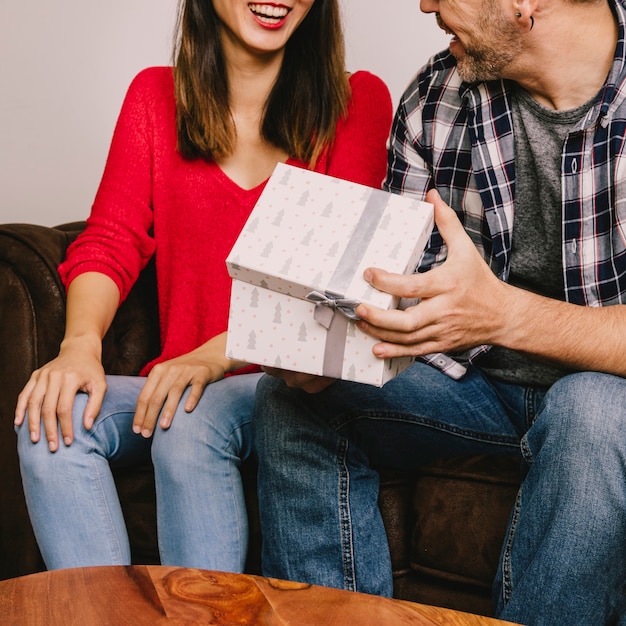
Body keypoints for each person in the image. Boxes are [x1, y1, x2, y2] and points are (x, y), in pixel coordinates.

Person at [252, 0, 626, 623]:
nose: (425, 3)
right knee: (292, 400)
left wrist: (505, 315)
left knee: (594, 413)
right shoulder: (437, 94)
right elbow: (401, 284)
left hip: (605, 395)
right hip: (475, 382)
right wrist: (333, 348)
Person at [13, 0, 392, 572]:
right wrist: (79, 347)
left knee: (190, 421)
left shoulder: (358, 101)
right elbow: (109, 240)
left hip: (288, 386)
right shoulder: (153, 98)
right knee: (50, 426)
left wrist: (214, 357)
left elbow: (337, 285)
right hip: (179, 382)